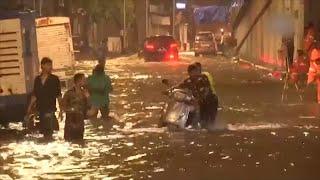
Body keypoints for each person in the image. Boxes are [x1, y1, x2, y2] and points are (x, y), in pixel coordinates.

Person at [26, 57, 62, 140]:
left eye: (51, 65)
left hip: (50, 110)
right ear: (42, 66)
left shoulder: (54, 79)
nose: (51, 67)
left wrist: (61, 110)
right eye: (48, 65)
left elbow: (59, 95)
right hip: (40, 111)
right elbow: (34, 95)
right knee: (43, 133)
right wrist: (29, 109)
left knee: (50, 133)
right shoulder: (37, 80)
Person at [62, 73, 90, 141]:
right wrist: (71, 109)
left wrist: (88, 97)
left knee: (80, 142)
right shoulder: (69, 93)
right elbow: (63, 106)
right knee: (69, 141)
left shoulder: (85, 93)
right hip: (70, 123)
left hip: (80, 123)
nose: (85, 81)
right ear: (79, 80)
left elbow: (90, 107)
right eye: (84, 80)